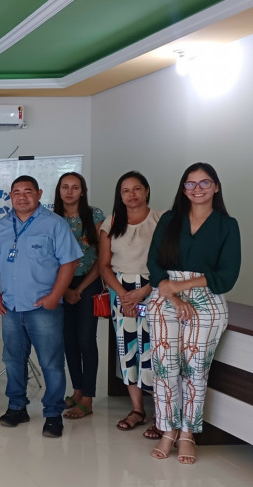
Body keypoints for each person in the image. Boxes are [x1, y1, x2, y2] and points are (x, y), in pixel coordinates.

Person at [146, 163, 241, 463]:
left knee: (195, 369)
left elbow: (227, 275)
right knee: (164, 368)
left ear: (216, 187)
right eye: (190, 183)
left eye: (204, 183)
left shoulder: (227, 225)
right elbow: (154, 264)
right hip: (165, 297)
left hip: (208, 300)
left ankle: (188, 432)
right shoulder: (170, 220)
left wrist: (184, 285)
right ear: (183, 188)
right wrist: (173, 295)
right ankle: (167, 430)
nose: (197, 189)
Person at [0, 175, 82, 438]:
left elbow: (69, 263)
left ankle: (52, 414)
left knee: (51, 362)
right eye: (16, 192)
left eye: (28, 191)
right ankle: (17, 407)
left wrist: (55, 296)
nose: (22, 197)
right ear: (10, 196)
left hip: (44, 307)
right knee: (13, 359)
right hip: (11, 307)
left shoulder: (54, 224)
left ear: (39, 194)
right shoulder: (3, 226)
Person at [98, 171, 162, 439]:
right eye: (126, 190)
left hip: (155, 289)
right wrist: (125, 295)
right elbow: (104, 265)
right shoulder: (110, 223)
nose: (132, 194)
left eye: (137, 189)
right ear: (120, 195)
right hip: (120, 291)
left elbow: (169, 262)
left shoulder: (162, 220)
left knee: (156, 350)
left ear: (147, 191)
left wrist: (143, 292)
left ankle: (162, 415)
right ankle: (138, 410)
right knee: (128, 350)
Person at [53, 172, 105, 420]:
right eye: (65, 187)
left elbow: (103, 257)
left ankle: (88, 399)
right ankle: (77, 390)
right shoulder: (51, 218)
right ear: (59, 190)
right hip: (59, 285)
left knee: (86, 339)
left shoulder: (94, 215)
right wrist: (64, 289)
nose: (70, 192)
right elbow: (47, 260)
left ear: (82, 191)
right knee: (68, 340)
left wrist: (80, 289)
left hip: (89, 283)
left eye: (75, 187)